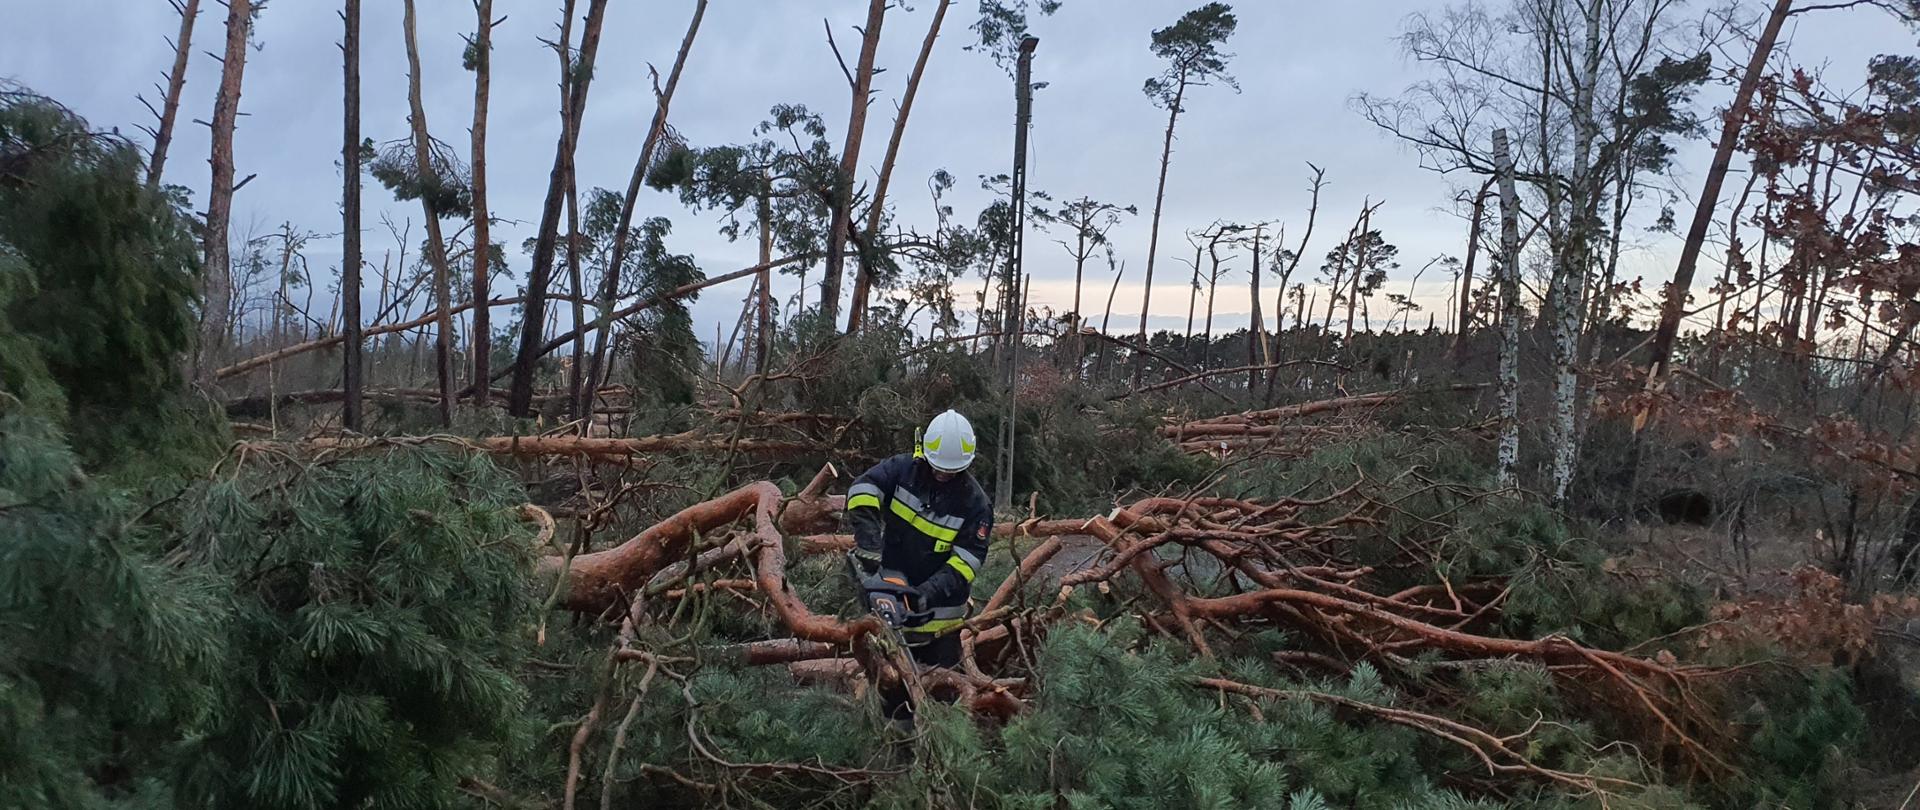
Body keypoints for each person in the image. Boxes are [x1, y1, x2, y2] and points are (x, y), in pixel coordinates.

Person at [845, 409, 993, 727]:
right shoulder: (902, 471)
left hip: (939, 624)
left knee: (940, 696)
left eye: (950, 471)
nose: (942, 475)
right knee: (889, 687)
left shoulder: (975, 504)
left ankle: (938, 748)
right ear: (925, 453)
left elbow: (966, 563)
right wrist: (869, 546)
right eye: (938, 468)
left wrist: (922, 596)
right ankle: (894, 743)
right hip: (888, 600)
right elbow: (862, 490)